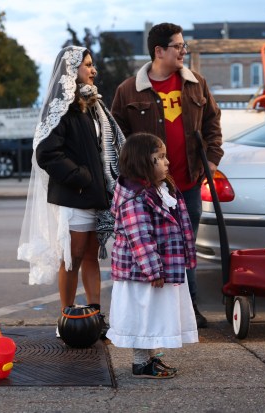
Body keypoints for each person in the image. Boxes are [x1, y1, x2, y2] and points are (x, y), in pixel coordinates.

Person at [110, 22, 223, 328]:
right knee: (153, 250)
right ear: (159, 51)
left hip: (186, 184)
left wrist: (211, 160)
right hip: (147, 191)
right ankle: (156, 316)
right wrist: (132, 176)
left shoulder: (196, 84)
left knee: (184, 249)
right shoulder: (128, 90)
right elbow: (115, 139)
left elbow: (213, 123)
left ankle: (189, 309)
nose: (183, 51)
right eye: (178, 46)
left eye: (184, 46)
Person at [17, 46, 125, 336]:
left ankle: (94, 319)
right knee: (72, 258)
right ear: (71, 70)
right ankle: (66, 320)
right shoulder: (61, 108)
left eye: (93, 64)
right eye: (87, 65)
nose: (93, 70)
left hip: (96, 197)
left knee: (91, 257)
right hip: (75, 196)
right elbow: (46, 153)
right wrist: (81, 176)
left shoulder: (93, 106)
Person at [107, 132, 198, 378]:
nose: (167, 162)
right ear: (142, 162)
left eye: (165, 156)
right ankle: (140, 362)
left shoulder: (160, 188)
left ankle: (149, 359)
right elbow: (140, 237)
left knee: (155, 314)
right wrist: (153, 270)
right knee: (143, 315)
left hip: (157, 267)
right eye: (160, 157)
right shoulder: (134, 196)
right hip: (141, 272)